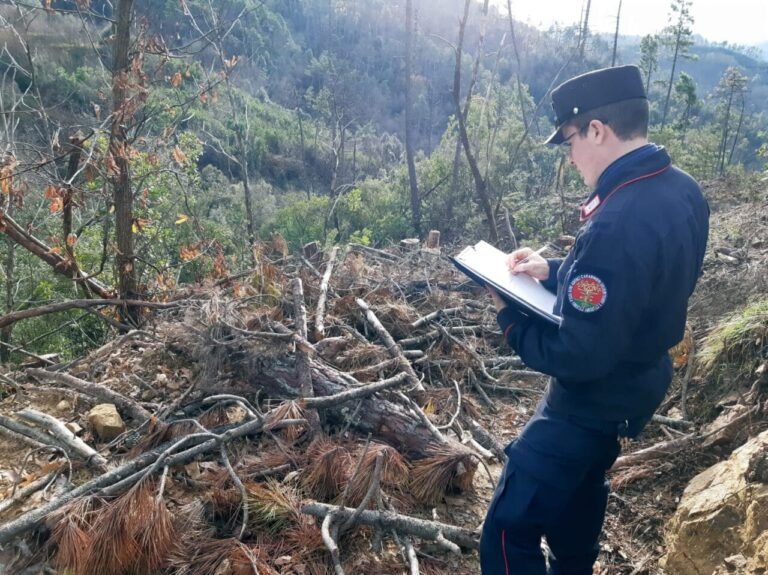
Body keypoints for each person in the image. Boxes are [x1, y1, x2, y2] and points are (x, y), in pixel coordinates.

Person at [479, 65, 710, 575]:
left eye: (569, 141)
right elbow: (635, 283)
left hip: (587, 402)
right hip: (633, 389)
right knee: (576, 514)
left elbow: (580, 356)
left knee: (504, 532)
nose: (570, 156)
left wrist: (511, 321)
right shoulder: (682, 190)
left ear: (598, 130)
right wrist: (553, 271)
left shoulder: (618, 217)